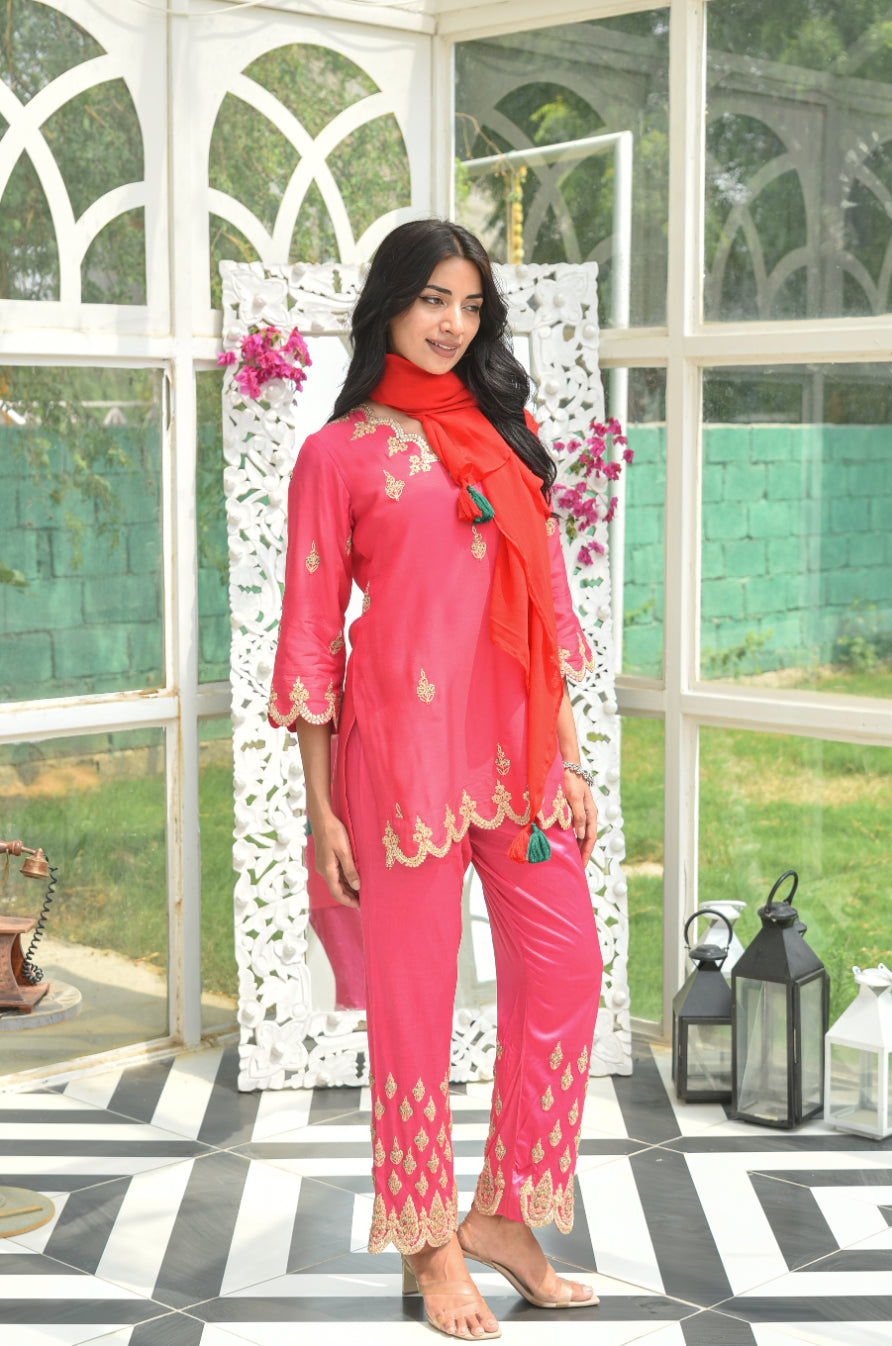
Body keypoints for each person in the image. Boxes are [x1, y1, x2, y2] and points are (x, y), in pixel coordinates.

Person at [269, 218, 604, 1340]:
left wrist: (567, 756)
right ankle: (426, 1237)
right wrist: (319, 807)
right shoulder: (340, 453)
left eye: (467, 303)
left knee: (566, 971)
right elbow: (311, 640)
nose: (450, 321)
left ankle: (507, 1211)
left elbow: (547, 615)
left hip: (515, 757)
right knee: (414, 1006)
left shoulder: (506, 438)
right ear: (388, 306)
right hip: (399, 763)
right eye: (430, 298)